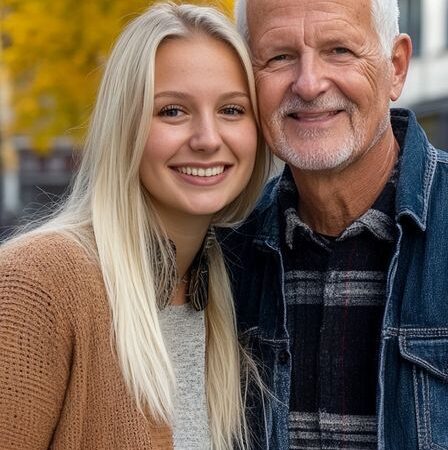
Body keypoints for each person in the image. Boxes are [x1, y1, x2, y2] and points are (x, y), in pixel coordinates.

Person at [219, 0, 448, 448]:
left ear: (395, 68)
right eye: (279, 56)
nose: (310, 83)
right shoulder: (224, 253)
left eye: (339, 50)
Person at [0, 2, 270, 449]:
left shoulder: (235, 293)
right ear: (125, 126)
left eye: (231, 110)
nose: (207, 139)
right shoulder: (36, 285)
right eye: (172, 112)